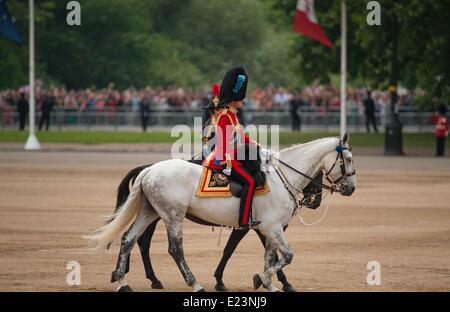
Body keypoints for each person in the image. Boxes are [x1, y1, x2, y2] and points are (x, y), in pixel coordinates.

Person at [203, 66, 266, 229]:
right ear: (233, 98)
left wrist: (258, 146)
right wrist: (226, 164)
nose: (242, 100)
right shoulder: (225, 116)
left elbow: (241, 137)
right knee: (250, 182)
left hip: (234, 156)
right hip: (225, 159)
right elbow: (223, 142)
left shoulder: (232, 115)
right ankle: (244, 219)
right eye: (240, 98)